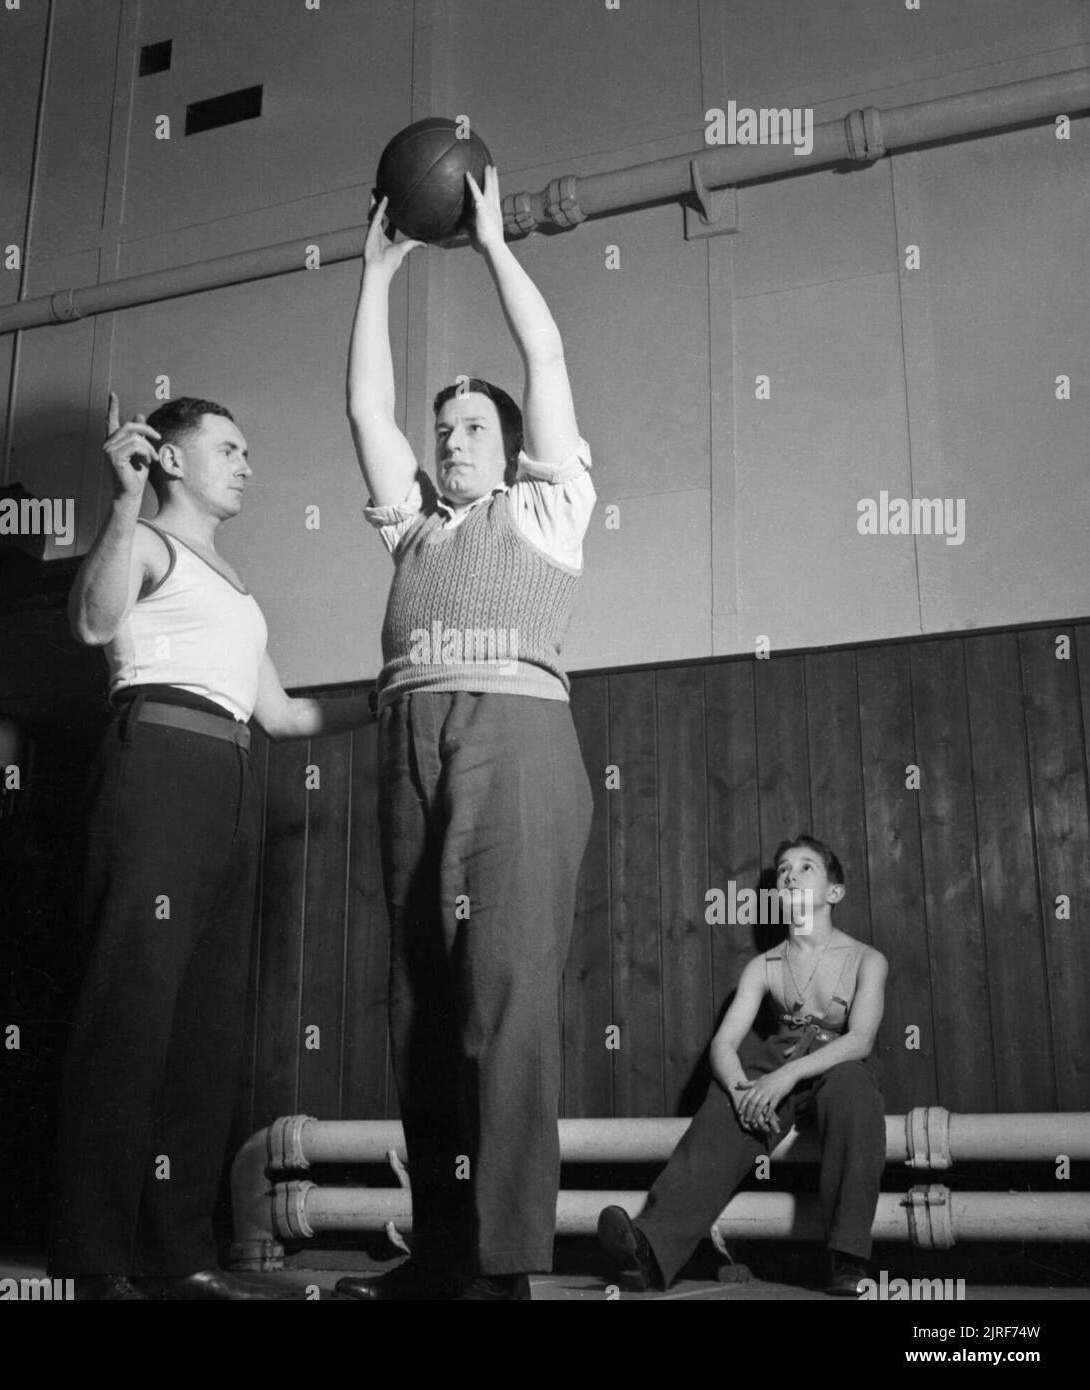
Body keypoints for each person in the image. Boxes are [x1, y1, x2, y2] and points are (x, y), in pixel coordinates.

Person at [334, 167, 595, 1301]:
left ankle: (504, 1266)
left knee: (505, 1000)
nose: (451, 439)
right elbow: (362, 412)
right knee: (425, 1010)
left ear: (515, 441)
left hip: (515, 734)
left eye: (473, 425)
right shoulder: (417, 535)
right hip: (407, 734)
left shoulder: (546, 508)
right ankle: (444, 1252)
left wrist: (491, 245)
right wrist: (374, 275)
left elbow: (547, 357)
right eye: (443, 428)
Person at [48, 393, 372, 1300]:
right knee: (129, 1017)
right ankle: (93, 1258)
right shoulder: (146, 542)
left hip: (234, 778)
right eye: (229, 448)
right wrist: (120, 503)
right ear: (173, 460)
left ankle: (176, 1251)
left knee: (204, 1034)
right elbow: (91, 624)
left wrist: (393, 693)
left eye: (247, 449)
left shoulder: (236, 587)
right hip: (156, 765)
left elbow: (284, 714)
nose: (246, 464)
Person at [597, 834, 888, 1297]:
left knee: (856, 1096)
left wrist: (787, 1076)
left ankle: (848, 1262)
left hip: (837, 1061)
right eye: (783, 871)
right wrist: (738, 1091)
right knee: (723, 1107)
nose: (790, 874)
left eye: (806, 867)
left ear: (835, 892)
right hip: (779, 1055)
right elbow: (724, 1044)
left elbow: (861, 1039)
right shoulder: (763, 967)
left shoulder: (866, 959)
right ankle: (648, 1250)